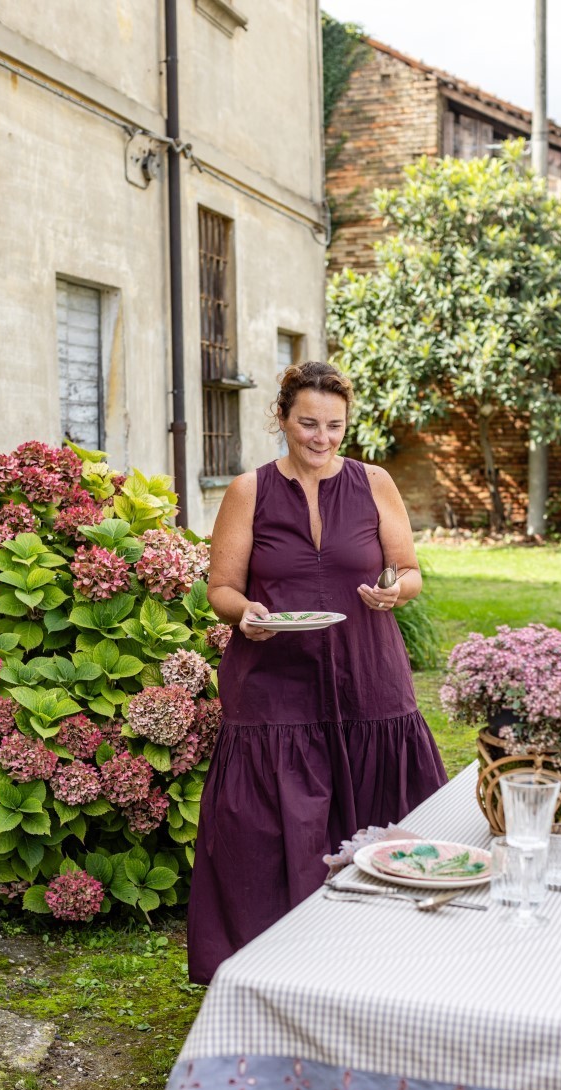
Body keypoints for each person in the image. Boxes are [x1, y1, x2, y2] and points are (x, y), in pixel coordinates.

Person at [187, 361, 447, 983]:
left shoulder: (375, 482)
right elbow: (219, 587)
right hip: (274, 682)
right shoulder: (249, 490)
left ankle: (385, 958)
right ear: (280, 419)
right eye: (308, 423)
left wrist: (394, 590)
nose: (322, 438)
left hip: (368, 675)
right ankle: (270, 969)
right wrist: (244, 613)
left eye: (335, 425)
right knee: (268, 832)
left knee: (384, 817)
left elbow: (407, 570)